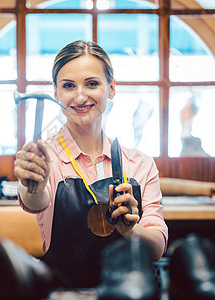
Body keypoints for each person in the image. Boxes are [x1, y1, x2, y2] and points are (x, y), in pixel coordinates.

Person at [14, 40, 168, 288]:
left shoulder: (140, 164)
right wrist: (32, 186)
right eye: (68, 86)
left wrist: (131, 230)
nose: (80, 96)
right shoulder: (44, 159)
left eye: (92, 83)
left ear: (111, 88)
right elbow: (35, 202)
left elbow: (157, 249)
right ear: (55, 93)